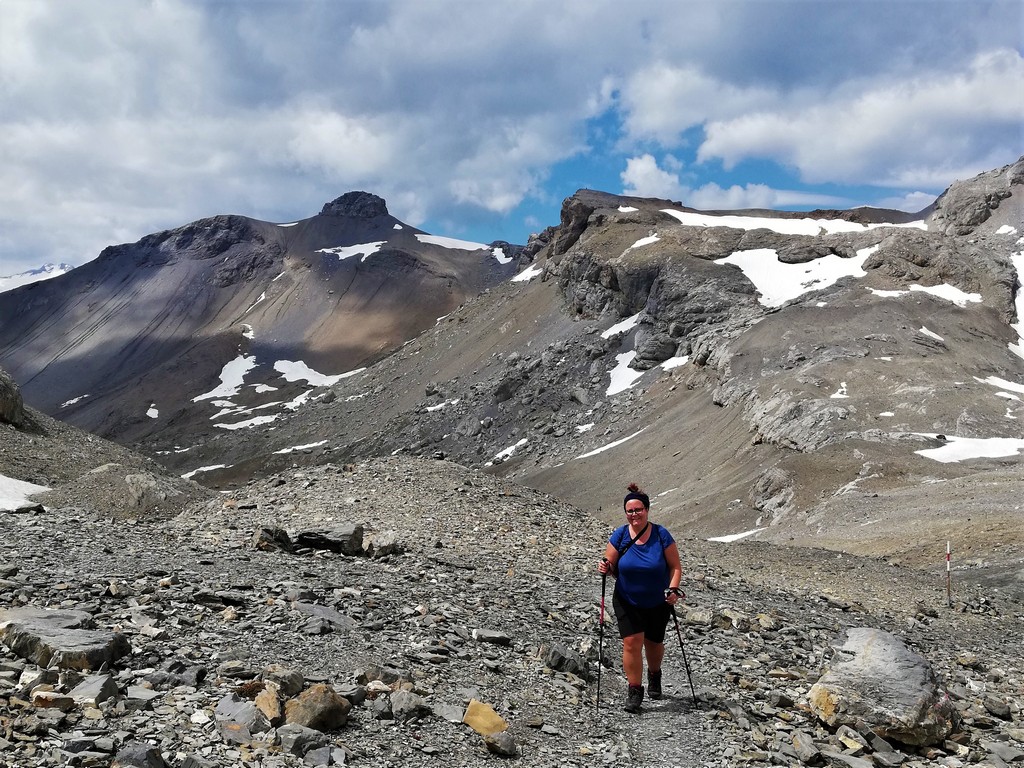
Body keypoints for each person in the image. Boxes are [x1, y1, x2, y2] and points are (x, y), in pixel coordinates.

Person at [597, 483, 682, 713]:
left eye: (638, 509)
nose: (634, 514)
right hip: (627, 599)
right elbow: (609, 562)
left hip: (658, 600)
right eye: (630, 511)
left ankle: (654, 674)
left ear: (647, 509)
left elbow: (675, 566)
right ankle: (634, 690)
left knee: (654, 643)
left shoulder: (661, 534)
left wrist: (673, 590)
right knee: (631, 643)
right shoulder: (621, 534)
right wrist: (604, 567)